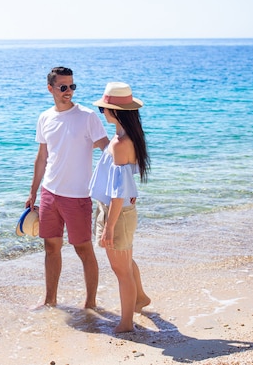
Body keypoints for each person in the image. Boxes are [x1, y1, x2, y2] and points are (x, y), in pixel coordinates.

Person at [25, 67, 109, 309]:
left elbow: (107, 150)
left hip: (78, 196)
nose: (69, 91)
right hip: (50, 193)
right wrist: (33, 192)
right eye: (63, 87)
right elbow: (42, 157)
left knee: (83, 249)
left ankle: (90, 304)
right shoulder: (45, 118)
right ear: (50, 88)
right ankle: (50, 300)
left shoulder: (87, 116)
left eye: (72, 86)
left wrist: (120, 184)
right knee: (51, 247)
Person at [89, 81, 151, 332]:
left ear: (116, 112)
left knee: (121, 269)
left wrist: (109, 226)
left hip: (117, 212)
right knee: (125, 262)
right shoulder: (125, 137)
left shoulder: (120, 143)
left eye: (104, 108)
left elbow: (118, 193)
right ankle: (140, 298)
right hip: (117, 210)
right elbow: (124, 179)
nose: (102, 112)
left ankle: (126, 324)